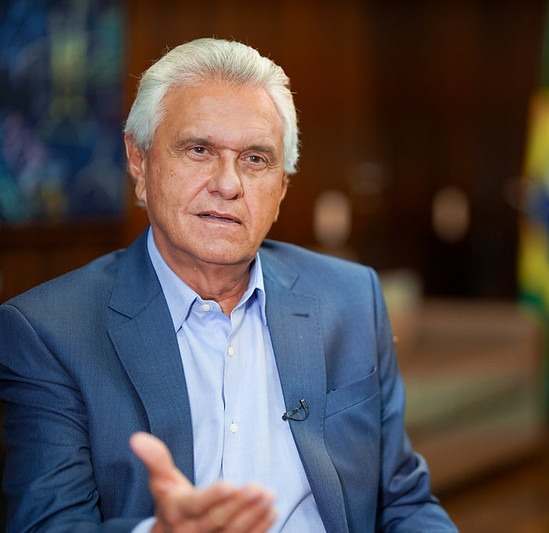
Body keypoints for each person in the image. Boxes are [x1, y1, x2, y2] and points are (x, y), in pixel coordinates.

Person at [0, 37, 457, 532]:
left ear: (282, 187)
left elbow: (404, 503)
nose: (228, 184)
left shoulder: (350, 297)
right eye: (199, 150)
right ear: (139, 160)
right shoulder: (48, 332)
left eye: (255, 159)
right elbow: (49, 524)